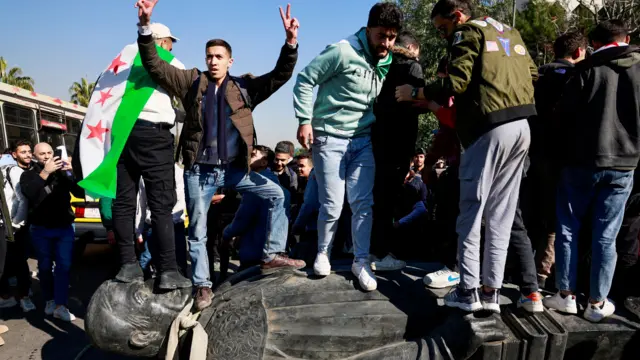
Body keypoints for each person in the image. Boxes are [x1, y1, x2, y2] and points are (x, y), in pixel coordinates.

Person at [134, 0, 304, 309]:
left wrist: (290, 44)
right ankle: (202, 286)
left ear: (230, 60)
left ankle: (273, 255)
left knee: (278, 195)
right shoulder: (191, 82)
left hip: (235, 170)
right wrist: (145, 26)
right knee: (198, 230)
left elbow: (279, 75)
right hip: (200, 171)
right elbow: (154, 65)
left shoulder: (244, 87)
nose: (213, 61)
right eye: (209, 56)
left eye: (219, 57)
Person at [396, 0, 536, 312]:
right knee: (500, 216)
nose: (445, 35)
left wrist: (417, 93)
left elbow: (455, 83)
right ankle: (490, 294)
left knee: (471, 215)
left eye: (443, 28)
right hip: (522, 127)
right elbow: (532, 74)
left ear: (457, 16)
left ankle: (468, 291)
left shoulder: (468, 33)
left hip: (488, 129)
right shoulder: (511, 32)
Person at [294, 2, 403, 291]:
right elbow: (305, 80)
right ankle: (323, 252)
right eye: (381, 36)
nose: (387, 43)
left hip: (362, 139)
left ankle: (361, 260)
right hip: (329, 137)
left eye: (392, 38)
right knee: (332, 203)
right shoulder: (341, 51)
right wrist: (305, 120)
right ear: (368, 30)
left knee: (363, 204)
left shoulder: (386, 58)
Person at [543, 20, 640, 322]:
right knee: (606, 236)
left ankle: (565, 296)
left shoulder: (585, 70)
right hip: (625, 164)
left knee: (568, 228)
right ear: (626, 38)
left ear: (594, 44)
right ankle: (597, 303)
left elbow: (561, 118)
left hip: (581, 162)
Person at [100, 19, 191, 291]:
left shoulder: (121, 61)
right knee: (161, 205)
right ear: (162, 42)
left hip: (122, 133)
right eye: (170, 44)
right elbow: (183, 88)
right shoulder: (168, 61)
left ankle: (128, 265)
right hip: (153, 135)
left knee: (125, 202)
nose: (171, 49)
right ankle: (168, 271)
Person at [529, 32, 587, 288]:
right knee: (557, 219)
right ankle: (544, 273)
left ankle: (521, 268)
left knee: (532, 214)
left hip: (531, 151)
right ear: (578, 53)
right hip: (562, 156)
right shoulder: (577, 77)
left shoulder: (537, 75)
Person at [371, 30, 424, 272]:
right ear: (413, 47)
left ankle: (373, 248)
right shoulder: (411, 67)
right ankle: (385, 253)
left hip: (378, 138)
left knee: (377, 197)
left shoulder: (382, 64)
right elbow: (418, 101)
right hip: (400, 141)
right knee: (390, 200)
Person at [20, 143, 83, 322]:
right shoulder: (29, 174)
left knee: (63, 267)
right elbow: (30, 192)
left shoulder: (62, 173)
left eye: (49, 152)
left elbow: (79, 191)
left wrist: (72, 171)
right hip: (41, 229)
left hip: (63, 227)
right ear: (35, 156)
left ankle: (61, 305)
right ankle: (49, 299)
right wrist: (45, 173)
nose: (47, 156)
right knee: (45, 267)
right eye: (42, 154)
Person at [222, 146, 291, 273]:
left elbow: (242, 219)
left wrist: (227, 233)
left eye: (253, 155)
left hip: (254, 250)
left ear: (264, 162)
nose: (248, 158)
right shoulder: (274, 182)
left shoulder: (257, 186)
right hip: (271, 250)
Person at [0, 141, 35, 312]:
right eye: (24, 152)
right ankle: (20, 295)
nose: (28, 155)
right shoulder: (13, 170)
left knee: (16, 259)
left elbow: (22, 200)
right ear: (14, 154)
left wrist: (16, 223)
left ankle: (21, 294)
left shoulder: (14, 171)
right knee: (13, 260)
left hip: (13, 224)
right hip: (10, 224)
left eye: (29, 151)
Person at [137, 164, 188, 280]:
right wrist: (138, 231)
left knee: (179, 261)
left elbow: (181, 200)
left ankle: (181, 288)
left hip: (174, 224)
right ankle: (141, 284)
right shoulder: (145, 174)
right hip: (154, 225)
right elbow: (141, 204)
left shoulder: (179, 172)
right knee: (146, 258)